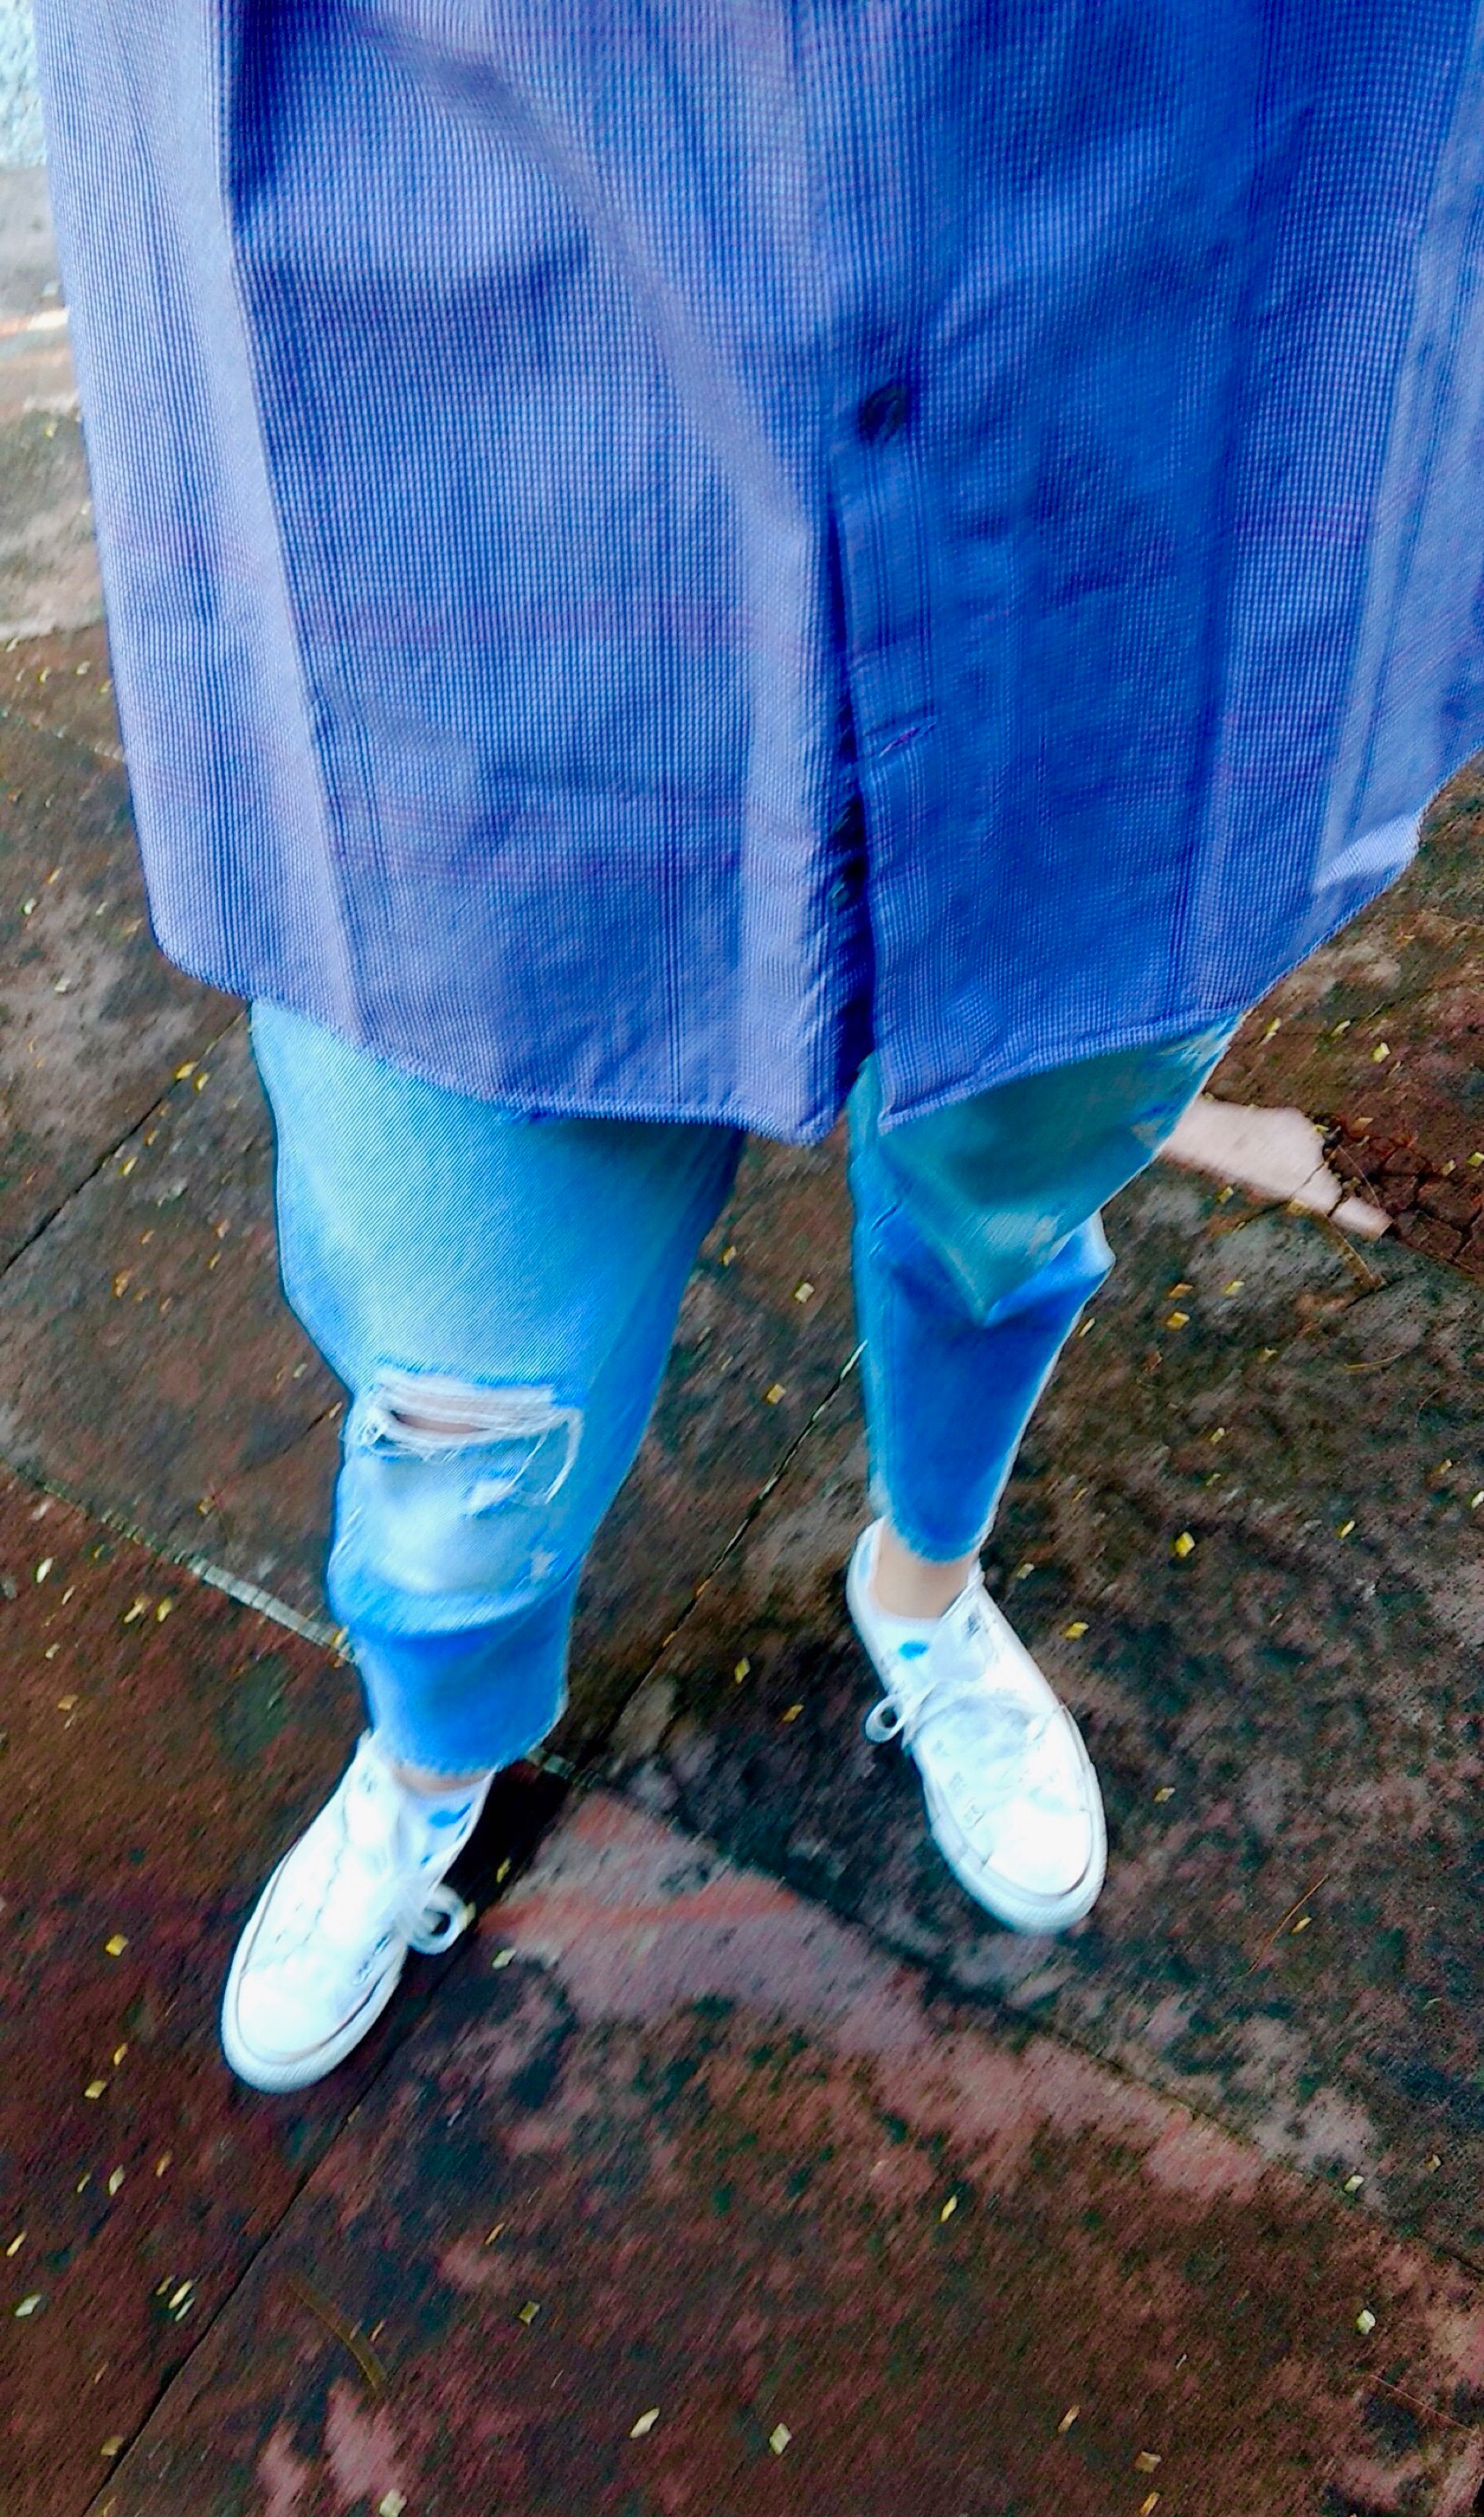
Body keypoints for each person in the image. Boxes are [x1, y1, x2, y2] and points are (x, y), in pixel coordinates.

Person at [29, 4, 1484, 2091]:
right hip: (441, 396)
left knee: (1008, 1208)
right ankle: (432, 1754)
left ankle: (924, 1583)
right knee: (460, 1378)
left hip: (1163, 342)